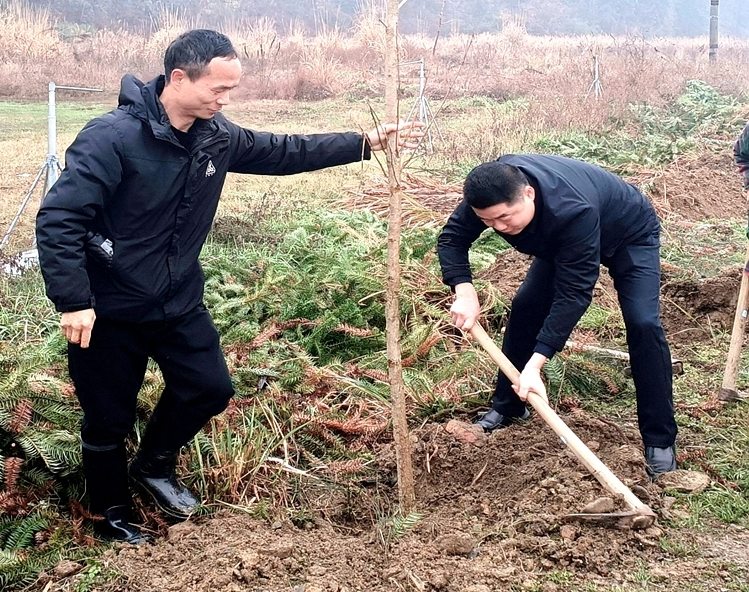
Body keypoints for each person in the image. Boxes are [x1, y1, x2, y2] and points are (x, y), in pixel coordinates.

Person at [35, 29, 421, 543]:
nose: (225, 100)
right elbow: (60, 218)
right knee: (108, 419)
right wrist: (74, 300)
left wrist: (363, 142)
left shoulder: (216, 134)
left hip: (178, 300)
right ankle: (109, 513)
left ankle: (153, 466)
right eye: (218, 89)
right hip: (109, 308)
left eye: (231, 90)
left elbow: (283, 152)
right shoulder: (111, 138)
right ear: (178, 78)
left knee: (209, 388)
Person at [437, 154, 678, 479]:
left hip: (627, 234)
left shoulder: (571, 209)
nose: (499, 228)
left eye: (505, 218)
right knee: (525, 308)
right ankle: (508, 408)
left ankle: (660, 440)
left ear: (528, 194)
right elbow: (452, 239)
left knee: (642, 323)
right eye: (488, 222)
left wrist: (536, 365)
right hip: (561, 242)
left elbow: (574, 294)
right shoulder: (490, 191)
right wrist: (465, 292)